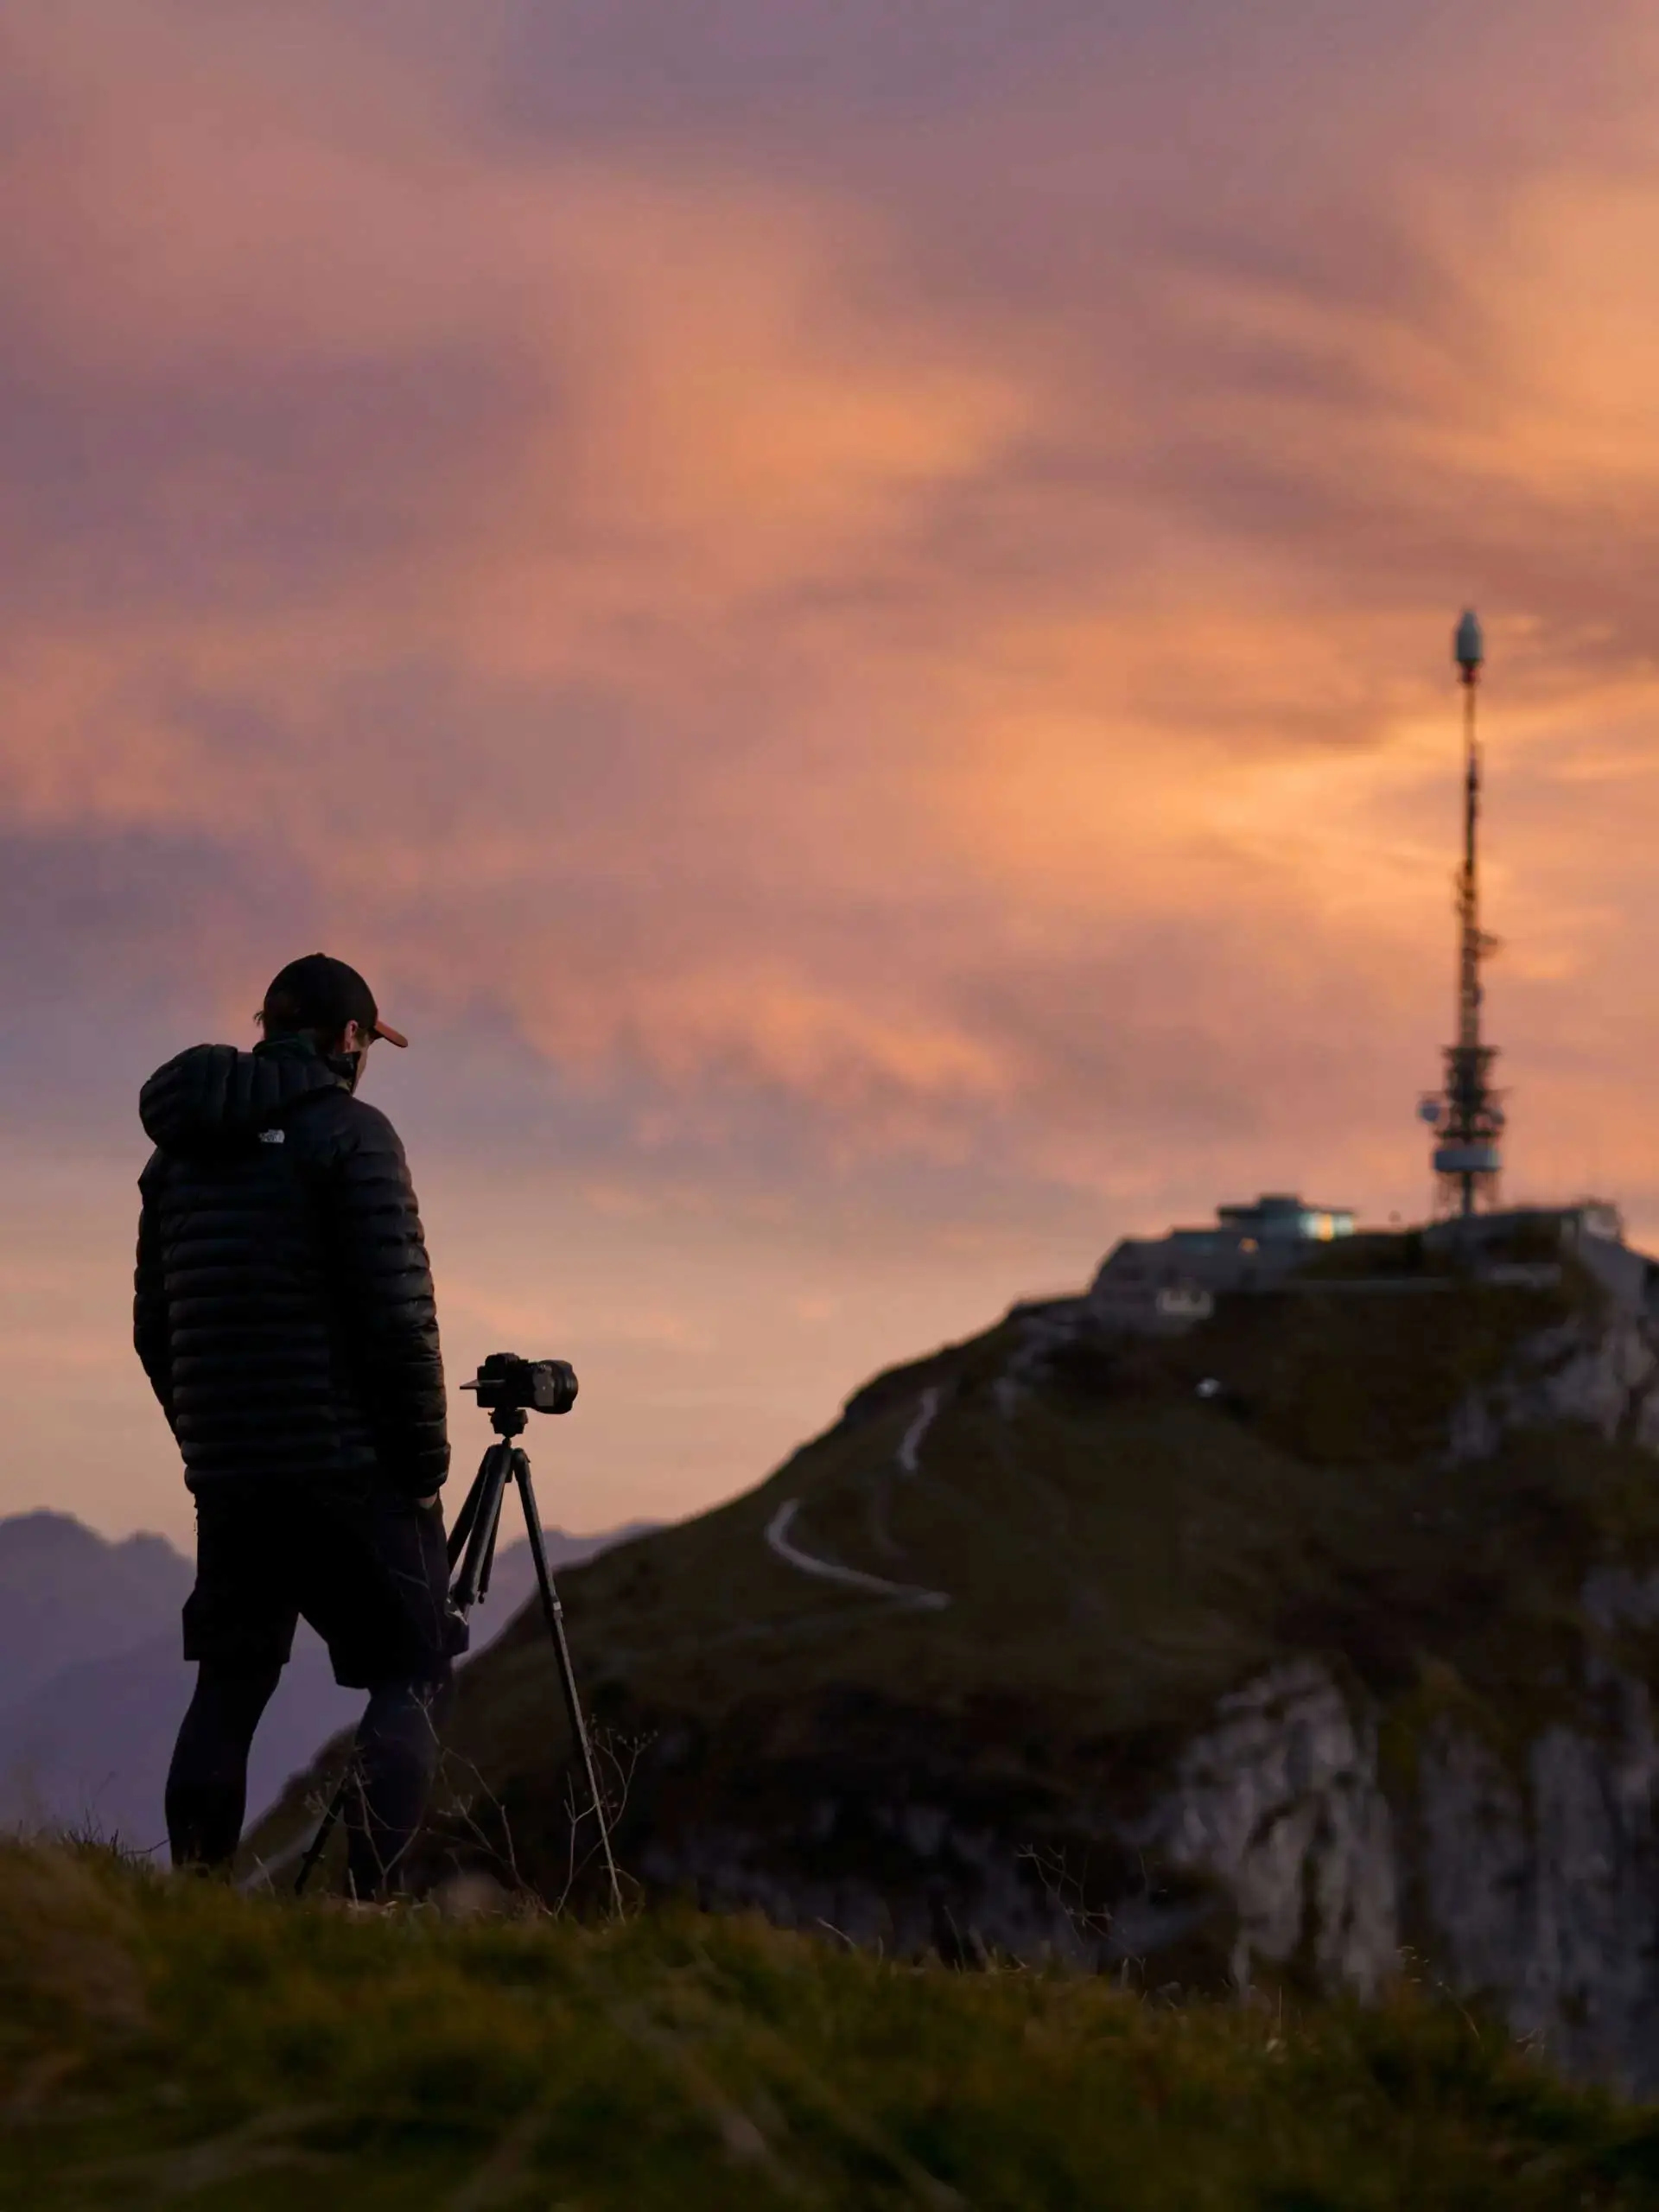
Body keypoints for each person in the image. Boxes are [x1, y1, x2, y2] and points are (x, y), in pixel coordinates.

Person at [135, 953, 461, 1897]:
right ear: (351, 1040)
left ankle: (194, 1905)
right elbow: (399, 1318)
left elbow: (154, 1327)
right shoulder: (352, 1136)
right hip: (350, 1466)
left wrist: (209, 1439)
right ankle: (372, 1910)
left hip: (232, 1474)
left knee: (231, 1684)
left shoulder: (175, 1153)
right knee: (414, 1667)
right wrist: (422, 1463)